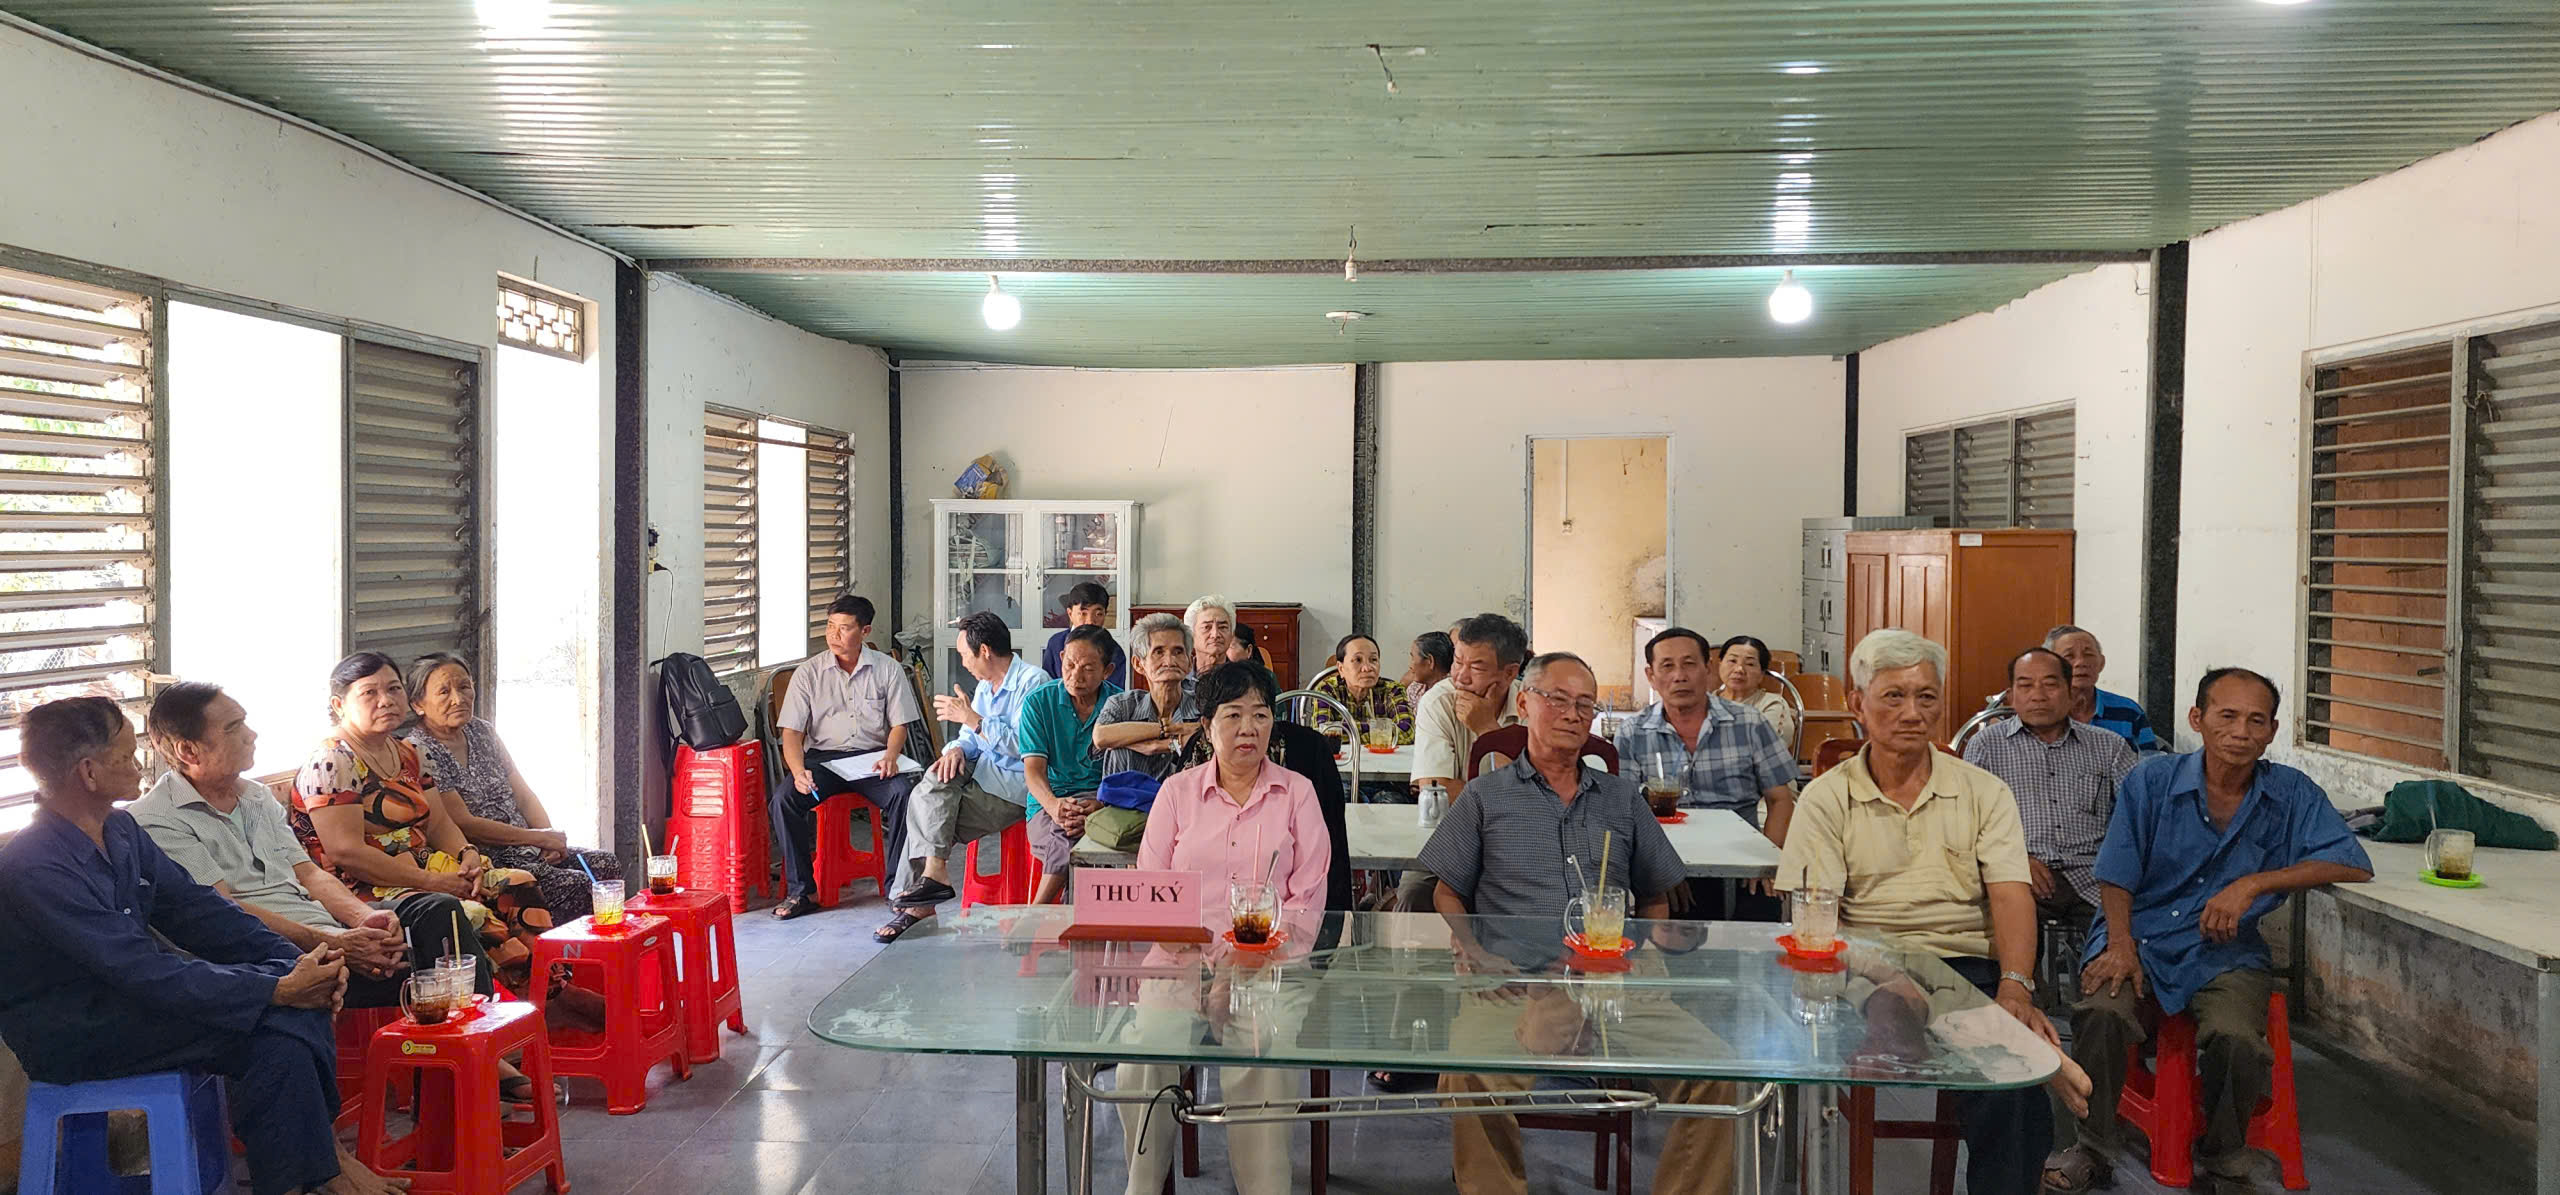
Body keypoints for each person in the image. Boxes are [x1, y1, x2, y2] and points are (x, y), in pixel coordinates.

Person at [0, 696, 400, 1195]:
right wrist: (275, 988)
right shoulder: (36, 865)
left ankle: (311, 1173)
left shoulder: (119, 830)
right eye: (126, 755)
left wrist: (299, 963)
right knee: (277, 1016)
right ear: (89, 773)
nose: (140, 765)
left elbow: (197, 910)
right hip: (79, 1030)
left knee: (289, 1017)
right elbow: (137, 968)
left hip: (137, 1002)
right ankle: (320, 1171)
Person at [1776, 629, 2090, 1195]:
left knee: (2015, 1098)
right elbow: (1817, 920)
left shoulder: (1983, 792)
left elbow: (2011, 895)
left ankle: (1996, 1046)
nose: (1912, 713)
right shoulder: (1826, 797)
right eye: (1893, 696)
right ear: (1857, 704)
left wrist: (2016, 987)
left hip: (1969, 964)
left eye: (1926, 697)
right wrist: (1889, 972)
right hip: (1862, 965)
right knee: (1966, 1030)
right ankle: (2004, 1041)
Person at [1416, 652, 1737, 1195]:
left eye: (1585, 704)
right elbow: (1447, 892)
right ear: (1524, 704)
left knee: (1720, 1073)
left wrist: (1647, 957)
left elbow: (1655, 894)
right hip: (1515, 981)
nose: (1572, 714)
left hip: (1615, 980)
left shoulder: (1621, 798)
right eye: (1558, 700)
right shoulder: (1485, 796)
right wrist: (1474, 949)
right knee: (1469, 1074)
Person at [138, 681, 558, 1092]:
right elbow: (225, 912)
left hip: (330, 930)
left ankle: (470, 1059)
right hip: (271, 954)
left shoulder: (256, 798)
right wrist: (335, 942)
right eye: (234, 728)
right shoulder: (157, 819)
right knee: (421, 964)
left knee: (437, 913)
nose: (252, 734)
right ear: (188, 751)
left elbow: (309, 874)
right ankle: (467, 1074)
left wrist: (364, 920)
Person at [2043, 669, 2372, 1195]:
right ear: (2198, 719)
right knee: (2101, 1013)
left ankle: (2224, 1154)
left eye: (2256, 720)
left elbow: (2351, 862)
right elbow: (2116, 872)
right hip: (2138, 935)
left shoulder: (2290, 793)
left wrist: (2253, 884)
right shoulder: (2151, 782)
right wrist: (2120, 945)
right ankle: (2093, 1147)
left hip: (2224, 951)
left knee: (2237, 1039)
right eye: (2227, 716)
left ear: (2272, 731)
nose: (2241, 731)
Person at [1110, 662, 1331, 1195]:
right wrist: (1201, 968)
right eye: (1233, 715)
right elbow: (1152, 891)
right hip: (1179, 960)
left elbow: (1307, 901)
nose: (1248, 729)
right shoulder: (1177, 793)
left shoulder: (1297, 793)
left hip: (1269, 967)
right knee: (1143, 1060)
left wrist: (1242, 966)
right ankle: (1142, 1187)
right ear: (1206, 726)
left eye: (1260, 715)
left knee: (1261, 1056)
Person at [293, 652, 560, 995]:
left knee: (517, 882)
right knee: (467, 912)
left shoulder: (409, 752)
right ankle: (502, 1005)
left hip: (427, 869)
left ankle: (548, 991)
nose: (386, 700)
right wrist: (433, 882)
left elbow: (438, 824)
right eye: (370, 693)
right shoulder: (333, 760)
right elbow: (347, 853)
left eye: (393, 689)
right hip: (366, 887)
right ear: (339, 705)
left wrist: (467, 854)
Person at [400, 652, 621, 917]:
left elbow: (523, 795)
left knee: (605, 865)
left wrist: (548, 838)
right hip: (488, 857)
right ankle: (560, 945)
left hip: (528, 845)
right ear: (418, 704)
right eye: (444, 692)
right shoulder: (419, 750)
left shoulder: (482, 731)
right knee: (575, 884)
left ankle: (614, 941)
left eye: (464, 686)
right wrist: (536, 837)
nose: (458, 699)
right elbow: (464, 823)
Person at [879, 611, 1048, 941]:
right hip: (980, 768)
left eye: (963, 654)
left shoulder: (1033, 683)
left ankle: (912, 904)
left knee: (927, 814)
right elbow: (970, 738)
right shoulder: (986, 685)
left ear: (984, 650)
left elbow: (1025, 748)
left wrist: (973, 720)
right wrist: (956, 749)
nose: (963, 662)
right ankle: (933, 876)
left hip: (1014, 784)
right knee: (933, 780)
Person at [1617, 627, 1799, 921]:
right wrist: (1659, 871)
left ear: (1708, 669)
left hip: (1743, 862)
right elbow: (1626, 812)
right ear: (1651, 676)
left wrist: (1768, 860)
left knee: (1760, 918)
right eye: (1667, 666)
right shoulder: (1632, 732)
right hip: (1669, 859)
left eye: (1689, 664)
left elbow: (1780, 799)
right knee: (1665, 924)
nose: (1680, 676)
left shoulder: (1749, 723)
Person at [1959, 647, 2138, 933]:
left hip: (2094, 878)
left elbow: (2139, 814)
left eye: (2050, 684)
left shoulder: (2109, 746)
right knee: (2008, 941)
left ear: (2071, 693)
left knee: (2127, 940)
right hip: (2016, 874)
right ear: (2011, 696)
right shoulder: (1987, 746)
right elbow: (1968, 822)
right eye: (2025, 685)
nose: (2038, 695)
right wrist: (2015, 860)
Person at [770, 594, 924, 920]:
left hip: (872, 760)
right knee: (784, 800)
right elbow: (792, 734)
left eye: (844, 628)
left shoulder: (887, 669)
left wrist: (891, 756)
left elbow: (899, 725)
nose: (834, 635)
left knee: (905, 794)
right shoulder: (809, 673)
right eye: (830, 626)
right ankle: (802, 891)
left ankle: (898, 887)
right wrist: (798, 772)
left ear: (865, 631)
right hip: (824, 763)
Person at [1401, 612, 1529, 913]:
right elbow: (1436, 792)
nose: (1460, 677)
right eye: (1458, 662)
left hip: (1522, 843)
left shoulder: (1531, 705)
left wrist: (1488, 731)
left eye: (1477, 667)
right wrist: (1507, 797)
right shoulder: (1439, 702)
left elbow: (1534, 803)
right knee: (1414, 892)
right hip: (1453, 837)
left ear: (1509, 673)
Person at [1018, 623, 1126, 903]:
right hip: (1048, 803)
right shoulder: (1038, 702)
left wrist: (1101, 805)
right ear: (1061, 657)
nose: (1075, 676)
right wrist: (1054, 806)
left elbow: (1126, 772)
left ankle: (1038, 914)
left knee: (1085, 839)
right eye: (1070, 664)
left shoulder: (1120, 705)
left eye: (1088, 668)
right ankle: (1043, 912)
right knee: (1068, 834)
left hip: (1103, 802)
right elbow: (1033, 770)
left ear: (1107, 671)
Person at [1090, 613, 1206, 781]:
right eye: (1159, 652)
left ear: (1190, 662)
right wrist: (1174, 731)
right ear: (1139, 664)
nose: (1170, 661)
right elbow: (1101, 737)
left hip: (1187, 797)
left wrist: (1160, 745)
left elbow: (1217, 735)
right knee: (1117, 746)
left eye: (1178, 652)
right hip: (1126, 797)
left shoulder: (1203, 704)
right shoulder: (1122, 705)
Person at [2045, 625, 2159, 754]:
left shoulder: (2128, 711)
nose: (2081, 662)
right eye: (2069, 656)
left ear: (2101, 663)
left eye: (2088, 655)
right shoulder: (2039, 712)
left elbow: (2152, 762)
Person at [1308, 632, 1416, 748]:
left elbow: (1407, 732)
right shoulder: (1327, 690)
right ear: (1341, 668)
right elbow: (1323, 732)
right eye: (1358, 660)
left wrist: (1346, 732)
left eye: (1373, 659)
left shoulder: (1392, 690)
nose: (1367, 668)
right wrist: (1379, 732)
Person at [1712, 633, 1799, 752]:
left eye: (1750, 664)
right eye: (1732, 661)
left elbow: (1767, 748)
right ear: (1720, 664)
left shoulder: (1772, 704)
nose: (1739, 669)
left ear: (1762, 673)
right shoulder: (1703, 702)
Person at [1040, 581, 1128, 686]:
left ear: (1105, 614)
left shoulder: (1114, 650)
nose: (1090, 621)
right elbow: (1047, 687)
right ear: (1070, 614)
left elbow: (1114, 692)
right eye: (1083, 614)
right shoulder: (1056, 643)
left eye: (1098, 614)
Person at [1184, 594, 1238, 677]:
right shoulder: (1177, 680)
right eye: (1206, 627)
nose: (1215, 634)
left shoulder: (1246, 680)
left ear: (1232, 634)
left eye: (1222, 627)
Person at [1402, 629, 1454, 698]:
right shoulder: (1415, 689)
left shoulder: (1451, 694)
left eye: (1413, 658)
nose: (1410, 666)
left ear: (1430, 661)